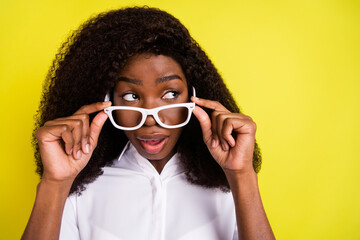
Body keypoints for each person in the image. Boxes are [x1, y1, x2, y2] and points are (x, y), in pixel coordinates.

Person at [22, 6, 275, 240]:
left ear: (194, 94)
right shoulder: (78, 188)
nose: (151, 118)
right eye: (131, 96)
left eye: (170, 94)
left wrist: (242, 175)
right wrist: (54, 183)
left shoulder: (228, 184)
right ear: (107, 99)